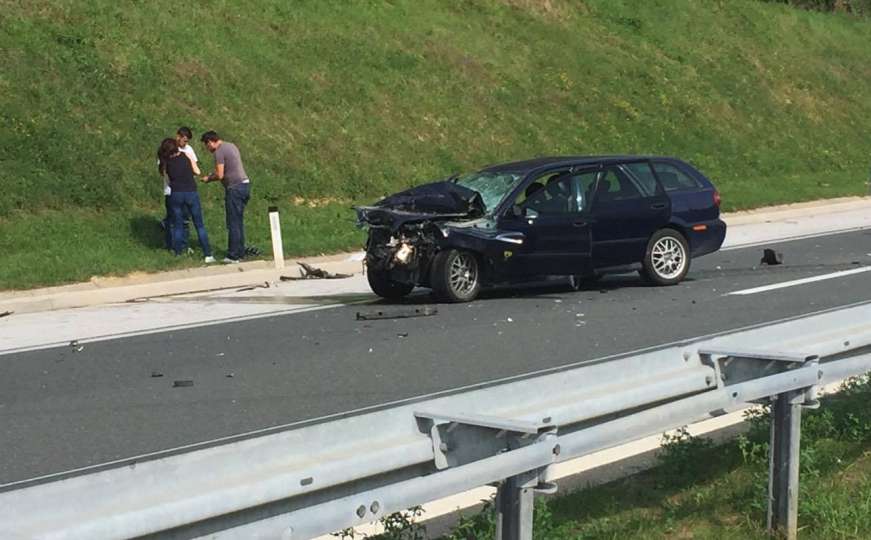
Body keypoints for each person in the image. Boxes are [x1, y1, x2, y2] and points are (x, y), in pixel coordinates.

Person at [157, 138, 214, 263]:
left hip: (176, 193)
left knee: (178, 225)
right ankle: (207, 254)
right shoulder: (185, 155)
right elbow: (197, 171)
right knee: (199, 224)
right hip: (191, 192)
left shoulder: (166, 162)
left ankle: (178, 253)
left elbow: (166, 178)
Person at [199, 131, 251, 263]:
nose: (208, 149)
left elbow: (220, 174)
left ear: (210, 142)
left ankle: (233, 255)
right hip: (244, 185)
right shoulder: (231, 145)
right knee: (238, 222)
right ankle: (240, 252)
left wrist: (208, 178)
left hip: (234, 188)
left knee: (232, 222)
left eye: (207, 146)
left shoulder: (219, 152)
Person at [160, 127, 201, 249]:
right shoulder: (167, 148)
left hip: (187, 188)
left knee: (184, 220)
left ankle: (183, 245)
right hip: (171, 189)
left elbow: (194, 168)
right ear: (178, 136)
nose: (185, 143)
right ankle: (170, 244)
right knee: (172, 220)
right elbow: (163, 169)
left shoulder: (188, 150)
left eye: (187, 141)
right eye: (184, 140)